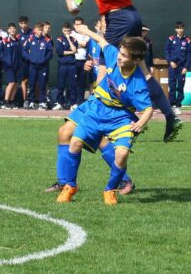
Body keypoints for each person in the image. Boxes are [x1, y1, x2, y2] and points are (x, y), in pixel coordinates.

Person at [60, 0, 187, 142]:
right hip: (133, 15)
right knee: (142, 71)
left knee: (103, 69)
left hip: (117, 21)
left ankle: (101, 121)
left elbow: (74, 9)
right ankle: (169, 115)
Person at [56, 26, 152, 206]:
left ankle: (110, 189)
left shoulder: (138, 83)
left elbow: (148, 109)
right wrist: (86, 31)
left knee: (122, 154)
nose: (119, 57)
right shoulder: (113, 56)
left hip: (120, 117)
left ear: (136, 60)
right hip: (97, 108)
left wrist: (141, 123)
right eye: (120, 53)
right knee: (73, 141)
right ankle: (69, 185)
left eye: (124, 55)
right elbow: (103, 42)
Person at [164, 21, 191, 115]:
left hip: (182, 68)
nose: (180, 30)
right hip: (172, 67)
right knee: (172, 87)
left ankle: (178, 106)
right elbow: (167, 52)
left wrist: (186, 67)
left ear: (184, 29)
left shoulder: (187, 41)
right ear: (176, 29)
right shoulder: (171, 39)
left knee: (180, 87)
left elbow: (190, 55)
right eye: (178, 28)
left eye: (182, 28)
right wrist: (170, 61)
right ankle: (171, 105)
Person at [23, 22, 53, 110]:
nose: (40, 32)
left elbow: (50, 52)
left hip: (42, 66)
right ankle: (31, 102)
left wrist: (44, 59)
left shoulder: (47, 40)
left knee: (42, 84)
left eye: (41, 30)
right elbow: (24, 50)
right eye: (39, 30)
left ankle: (42, 102)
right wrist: (29, 58)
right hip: (32, 66)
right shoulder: (30, 39)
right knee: (32, 84)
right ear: (35, 30)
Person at [53, 22, 77, 111]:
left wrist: (68, 39)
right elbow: (60, 52)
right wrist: (71, 52)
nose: (66, 32)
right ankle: (60, 103)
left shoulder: (74, 39)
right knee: (61, 85)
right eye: (65, 31)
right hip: (62, 65)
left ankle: (73, 103)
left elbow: (75, 49)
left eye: (68, 30)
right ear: (62, 31)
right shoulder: (59, 39)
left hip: (72, 65)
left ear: (70, 31)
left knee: (72, 85)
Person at [0, 23, 21, 109]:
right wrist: (7, 62)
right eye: (11, 28)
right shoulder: (4, 41)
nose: (12, 30)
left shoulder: (18, 41)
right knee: (11, 83)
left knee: (15, 84)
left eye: (14, 28)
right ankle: (5, 102)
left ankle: (11, 101)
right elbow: (0, 54)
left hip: (17, 67)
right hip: (9, 67)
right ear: (8, 30)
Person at [70, 17, 89, 109]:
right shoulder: (71, 34)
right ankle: (72, 102)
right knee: (73, 82)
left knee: (82, 83)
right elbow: (72, 46)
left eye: (80, 24)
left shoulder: (87, 34)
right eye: (76, 24)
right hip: (74, 61)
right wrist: (80, 44)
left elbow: (87, 44)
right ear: (74, 25)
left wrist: (80, 44)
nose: (78, 26)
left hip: (84, 61)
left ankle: (80, 102)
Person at [18, 16, 32, 108]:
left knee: (35, 81)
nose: (24, 25)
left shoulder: (33, 33)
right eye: (22, 23)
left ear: (28, 23)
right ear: (19, 24)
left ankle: (35, 100)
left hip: (34, 62)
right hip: (23, 62)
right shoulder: (18, 36)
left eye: (25, 23)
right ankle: (25, 100)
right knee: (24, 80)